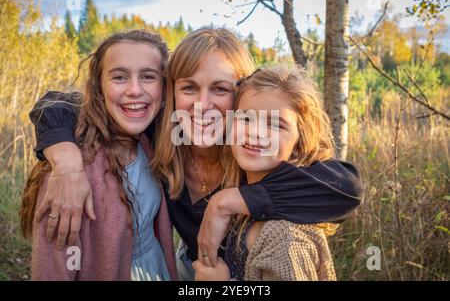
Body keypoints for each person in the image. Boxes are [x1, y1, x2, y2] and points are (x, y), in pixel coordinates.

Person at [29, 27, 363, 280]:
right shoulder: (161, 132)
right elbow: (60, 105)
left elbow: (347, 188)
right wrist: (67, 163)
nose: (202, 106)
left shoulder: (258, 154)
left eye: (220, 89)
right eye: (189, 88)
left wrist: (226, 201)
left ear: (244, 97)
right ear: (171, 92)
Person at [20, 30, 177, 280]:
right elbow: (52, 270)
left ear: (165, 87)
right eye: (119, 77)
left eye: (148, 76)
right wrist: (67, 165)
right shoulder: (70, 173)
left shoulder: (151, 140)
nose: (135, 90)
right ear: (99, 86)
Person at [193, 65, 338, 280]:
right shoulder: (241, 202)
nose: (255, 132)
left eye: (275, 124)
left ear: (299, 143)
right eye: (246, 118)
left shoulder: (285, 237)